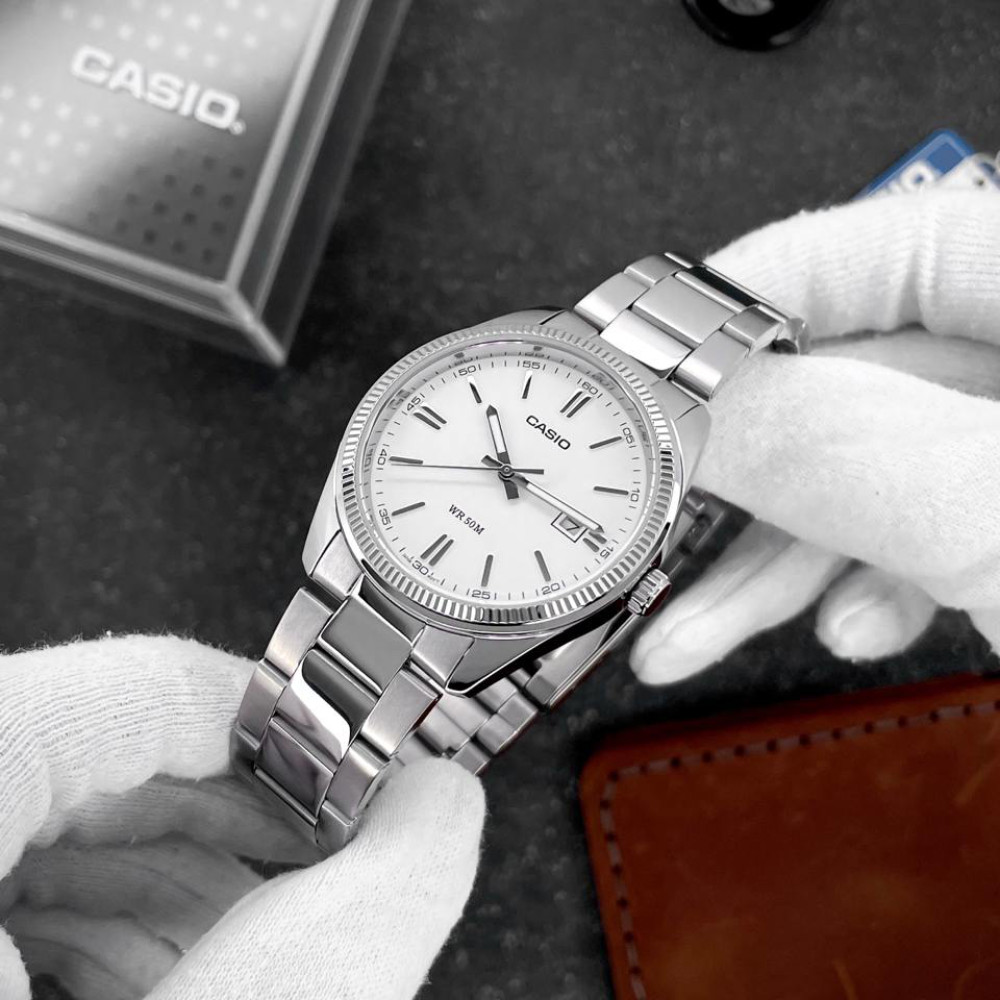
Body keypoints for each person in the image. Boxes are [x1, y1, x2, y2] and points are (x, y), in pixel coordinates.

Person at [1, 187, 997, 1000]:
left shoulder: (617, 549)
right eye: (510, 464)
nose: (515, 476)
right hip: (383, 560)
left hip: (480, 610)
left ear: (639, 584)